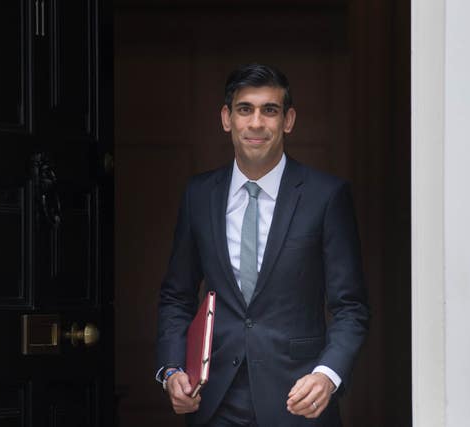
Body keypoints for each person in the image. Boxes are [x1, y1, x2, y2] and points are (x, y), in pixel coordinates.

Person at [155, 64, 369, 426]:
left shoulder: (326, 196)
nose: (256, 123)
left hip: (297, 401)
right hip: (214, 401)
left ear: (288, 120)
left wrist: (327, 375)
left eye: (269, 110)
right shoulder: (198, 195)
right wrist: (173, 369)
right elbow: (177, 295)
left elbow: (351, 308)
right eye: (245, 109)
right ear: (227, 118)